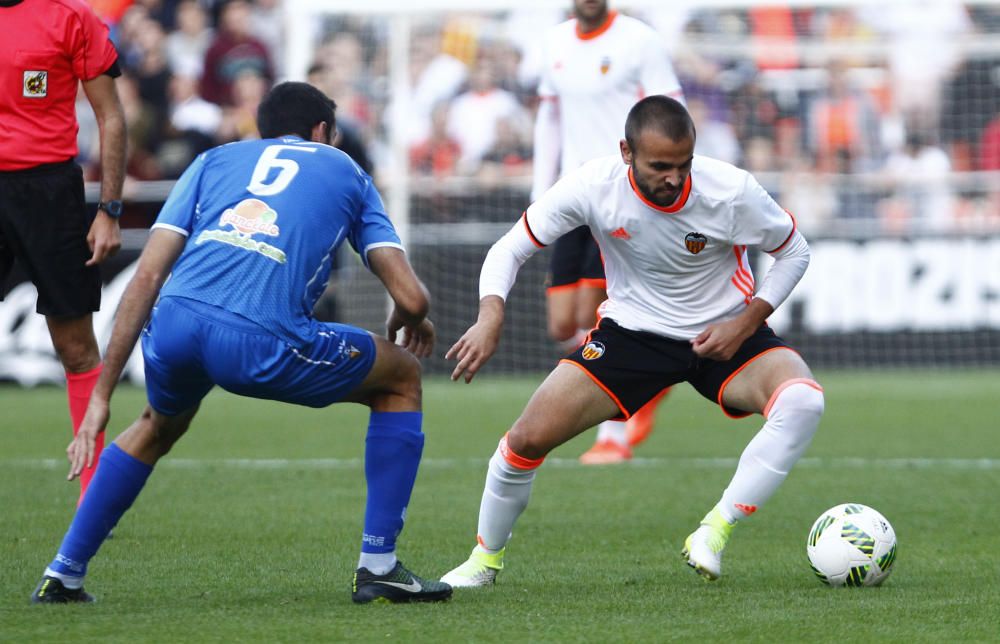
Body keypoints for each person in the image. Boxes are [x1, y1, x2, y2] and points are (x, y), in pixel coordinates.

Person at [30, 82, 452, 605]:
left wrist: (100, 398)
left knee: (155, 425)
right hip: (260, 336)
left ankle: (64, 574)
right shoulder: (343, 167)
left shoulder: (214, 160)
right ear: (323, 133)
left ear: (262, 130)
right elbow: (410, 296)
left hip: (175, 327)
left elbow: (146, 278)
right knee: (401, 376)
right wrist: (415, 319)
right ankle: (379, 566)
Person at [441, 96, 823, 587]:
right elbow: (510, 247)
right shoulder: (592, 185)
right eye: (660, 166)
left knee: (803, 402)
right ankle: (482, 564)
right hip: (631, 337)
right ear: (626, 152)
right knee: (523, 441)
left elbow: (794, 251)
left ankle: (715, 530)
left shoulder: (731, 191)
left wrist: (746, 323)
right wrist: (489, 315)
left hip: (725, 335)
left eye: (683, 165)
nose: (674, 177)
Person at [532, 0, 685, 463]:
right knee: (562, 322)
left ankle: (614, 435)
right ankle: (652, 383)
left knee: (599, 314)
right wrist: (542, 191)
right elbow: (549, 120)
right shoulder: (555, 43)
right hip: (573, 195)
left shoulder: (639, 40)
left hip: (623, 198)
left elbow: (672, 115)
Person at [0, 0, 126, 505]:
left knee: (75, 347)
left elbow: (111, 117)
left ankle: (92, 493)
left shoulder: (71, 16)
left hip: (49, 192)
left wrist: (110, 208)